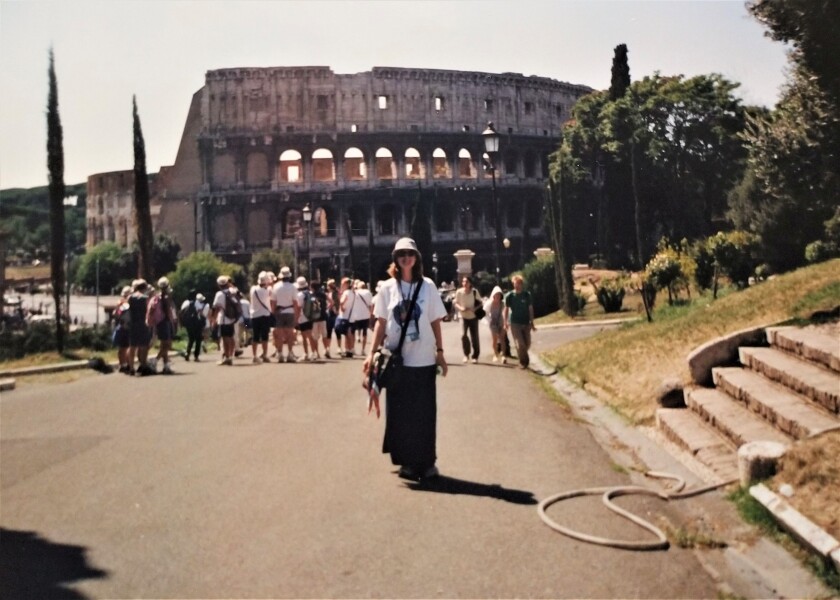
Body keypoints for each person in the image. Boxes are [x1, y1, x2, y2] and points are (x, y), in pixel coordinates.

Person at [364, 237, 448, 481]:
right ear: (395, 260)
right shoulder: (387, 288)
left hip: (423, 361)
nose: (406, 258)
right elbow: (380, 323)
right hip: (398, 363)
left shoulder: (428, 286)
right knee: (401, 416)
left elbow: (435, 321)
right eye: (401, 254)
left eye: (410, 253)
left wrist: (440, 353)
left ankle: (427, 461)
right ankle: (408, 462)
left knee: (424, 414)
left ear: (416, 258)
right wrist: (371, 353)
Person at [504, 274, 536, 369]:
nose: (516, 285)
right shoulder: (510, 296)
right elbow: (506, 309)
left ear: (521, 284)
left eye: (518, 283)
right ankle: (524, 362)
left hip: (526, 322)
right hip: (515, 323)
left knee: (527, 343)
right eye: (515, 283)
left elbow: (530, 308)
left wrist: (532, 322)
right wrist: (505, 322)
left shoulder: (527, 295)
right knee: (520, 343)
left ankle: (522, 357)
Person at [147, 276, 178, 374]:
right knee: (167, 344)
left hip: (161, 322)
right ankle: (155, 360)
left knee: (164, 345)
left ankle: (166, 366)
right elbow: (170, 311)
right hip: (164, 322)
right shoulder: (164, 297)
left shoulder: (157, 297)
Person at [271, 266, 300, 362]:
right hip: (290, 311)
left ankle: (280, 354)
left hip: (279, 312)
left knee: (279, 335)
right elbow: (295, 302)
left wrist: (273, 312)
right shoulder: (293, 287)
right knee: (290, 334)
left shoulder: (276, 287)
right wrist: (296, 316)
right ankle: (290, 353)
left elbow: (273, 302)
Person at [126, 279, 153, 376]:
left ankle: (131, 367)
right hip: (143, 323)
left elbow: (127, 311)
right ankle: (143, 365)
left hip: (133, 324)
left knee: (132, 346)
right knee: (143, 346)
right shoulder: (145, 298)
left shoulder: (130, 297)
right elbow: (149, 312)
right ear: (144, 288)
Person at [211, 275, 238, 365]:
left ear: (219, 285)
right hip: (232, 318)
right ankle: (230, 355)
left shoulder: (219, 294)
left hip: (223, 319)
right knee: (231, 337)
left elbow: (216, 308)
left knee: (225, 338)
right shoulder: (232, 292)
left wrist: (213, 319)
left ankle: (227, 357)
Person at [453, 276, 482, 363]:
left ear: (470, 283)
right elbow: (455, 302)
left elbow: (480, 303)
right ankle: (466, 354)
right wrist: (460, 308)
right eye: (463, 282)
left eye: (467, 282)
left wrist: (475, 309)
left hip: (473, 317)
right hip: (463, 317)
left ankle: (475, 356)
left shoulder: (474, 292)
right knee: (463, 335)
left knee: (475, 337)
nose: (465, 283)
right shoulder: (459, 292)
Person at [249, 271, 274, 363]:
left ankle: (254, 355)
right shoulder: (268, 290)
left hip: (254, 315)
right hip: (265, 315)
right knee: (265, 336)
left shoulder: (253, 289)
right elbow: (271, 292)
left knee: (255, 336)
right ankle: (265, 354)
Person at [483, 285, 508, 363]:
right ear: (493, 295)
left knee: (502, 338)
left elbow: (506, 312)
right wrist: (489, 320)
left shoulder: (502, 304)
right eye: (496, 295)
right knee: (495, 339)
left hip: (501, 321)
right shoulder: (489, 303)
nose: (497, 296)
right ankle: (495, 354)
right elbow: (484, 313)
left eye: (499, 295)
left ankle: (503, 355)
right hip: (492, 322)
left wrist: (505, 323)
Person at [180, 291, 206, 362]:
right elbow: (201, 313)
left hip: (189, 324)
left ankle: (187, 353)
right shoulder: (198, 303)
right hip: (197, 323)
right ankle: (196, 356)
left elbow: (182, 312)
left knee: (191, 339)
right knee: (198, 340)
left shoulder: (185, 303)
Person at [295, 276, 317, 361]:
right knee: (310, 335)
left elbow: (299, 307)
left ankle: (306, 353)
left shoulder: (300, 295)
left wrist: (296, 318)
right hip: (310, 316)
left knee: (305, 336)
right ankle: (313, 353)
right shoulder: (310, 293)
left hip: (302, 317)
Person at [112, 286, 132, 373]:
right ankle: (122, 364)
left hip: (129, 327)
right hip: (123, 327)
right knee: (122, 348)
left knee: (128, 347)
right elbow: (116, 314)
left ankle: (127, 363)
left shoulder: (132, 303)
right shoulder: (121, 304)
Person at [352, 280, 373, 357]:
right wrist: (371, 314)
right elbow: (371, 304)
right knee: (365, 333)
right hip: (365, 315)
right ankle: (363, 350)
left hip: (355, 315)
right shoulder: (368, 293)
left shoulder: (355, 292)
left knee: (353, 332)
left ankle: (353, 348)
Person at [309, 280, 329, 359]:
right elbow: (330, 302)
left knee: (315, 336)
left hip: (314, 319)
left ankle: (317, 353)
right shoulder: (323, 295)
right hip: (323, 317)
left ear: (312, 287)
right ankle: (326, 349)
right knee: (324, 335)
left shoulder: (311, 295)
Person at [338, 277, 356, 358]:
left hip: (345, 316)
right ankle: (349, 349)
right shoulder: (353, 293)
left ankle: (349, 349)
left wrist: (341, 307)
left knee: (347, 333)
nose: (342, 285)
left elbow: (342, 302)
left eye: (343, 284)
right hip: (351, 316)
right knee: (349, 333)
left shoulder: (346, 293)